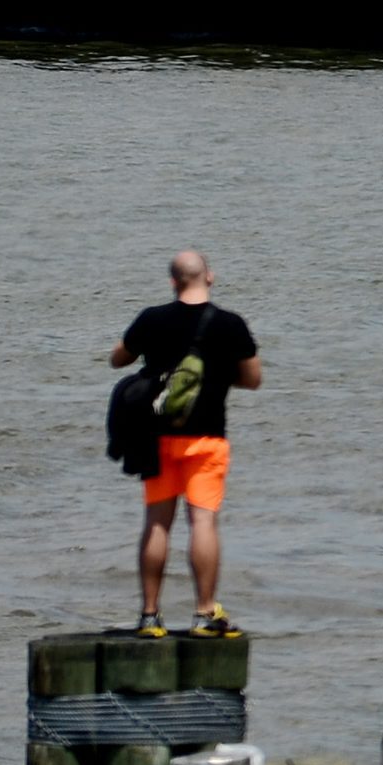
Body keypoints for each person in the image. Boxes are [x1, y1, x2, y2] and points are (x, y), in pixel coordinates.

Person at [111, 251, 265, 639]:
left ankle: (149, 617)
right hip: (207, 438)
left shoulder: (152, 318)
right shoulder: (230, 324)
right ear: (209, 276)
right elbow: (253, 379)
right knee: (203, 521)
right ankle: (203, 614)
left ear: (172, 282)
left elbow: (118, 359)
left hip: (155, 439)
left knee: (157, 524)